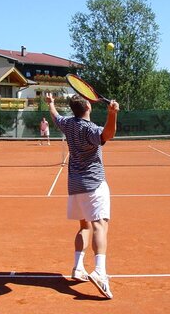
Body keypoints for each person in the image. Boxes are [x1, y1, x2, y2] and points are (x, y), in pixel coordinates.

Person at [45, 92, 119, 299]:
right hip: (94, 184)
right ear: (88, 106)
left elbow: (55, 117)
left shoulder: (68, 124)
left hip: (75, 185)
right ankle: (100, 271)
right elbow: (108, 135)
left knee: (84, 226)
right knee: (100, 225)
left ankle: (78, 268)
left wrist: (50, 104)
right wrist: (112, 113)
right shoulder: (89, 129)